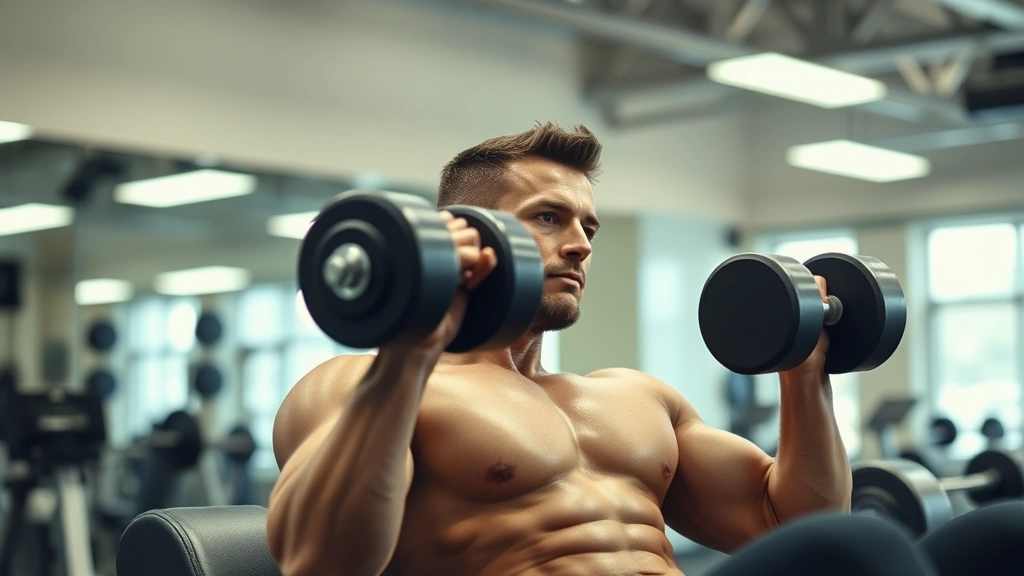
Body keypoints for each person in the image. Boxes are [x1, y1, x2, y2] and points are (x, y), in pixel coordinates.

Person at [266, 122, 1024, 576]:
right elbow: (319, 563)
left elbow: (787, 522)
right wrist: (407, 353)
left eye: (589, 227)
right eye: (549, 217)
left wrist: (806, 371)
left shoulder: (632, 398)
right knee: (859, 550)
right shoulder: (363, 384)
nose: (578, 244)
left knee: (1002, 534)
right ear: (466, 231)